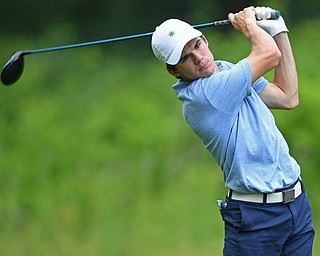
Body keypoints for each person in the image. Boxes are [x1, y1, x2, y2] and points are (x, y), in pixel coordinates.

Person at [151, 6, 315, 256]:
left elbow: (287, 97)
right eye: (185, 58)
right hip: (256, 220)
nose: (198, 57)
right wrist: (249, 25)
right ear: (174, 71)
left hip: (296, 206)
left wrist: (279, 31)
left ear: (204, 39)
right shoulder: (205, 95)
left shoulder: (226, 69)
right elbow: (269, 54)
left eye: (196, 45)